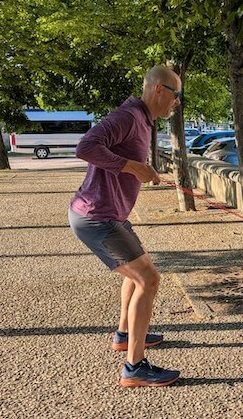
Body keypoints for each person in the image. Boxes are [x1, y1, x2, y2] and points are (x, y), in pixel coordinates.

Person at [68, 65, 182, 388]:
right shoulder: (129, 116)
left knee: (136, 275)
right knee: (149, 278)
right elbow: (85, 148)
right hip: (96, 217)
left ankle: (124, 334)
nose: (177, 103)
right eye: (176, 95)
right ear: (159, 90)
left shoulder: (142, 119)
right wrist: (133, 167)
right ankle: (134, 367)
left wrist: (142, 170)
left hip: (109, 215)